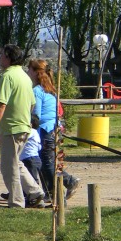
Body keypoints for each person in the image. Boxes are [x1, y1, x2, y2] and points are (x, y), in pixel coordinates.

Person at [0, 44, 45, 209]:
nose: (0, 58)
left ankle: (17, 202)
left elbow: (1, 106)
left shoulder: (7, 77)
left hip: (11, 128)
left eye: (2, 55)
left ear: (8, 57)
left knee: (8, 168)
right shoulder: (25, 77)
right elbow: (32, 104)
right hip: (24, 127)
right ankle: (35, 191)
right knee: (16, 164)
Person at [27, 59, 81, 203]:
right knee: (48, 162)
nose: (28, 72)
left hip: (44, 131)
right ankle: (53, 190)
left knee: (46, 164)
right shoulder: (51, 89)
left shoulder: (37, 91)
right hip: (54, 129)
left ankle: (61, 187)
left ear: (36, 72)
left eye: (30, 69)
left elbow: (36, 115)